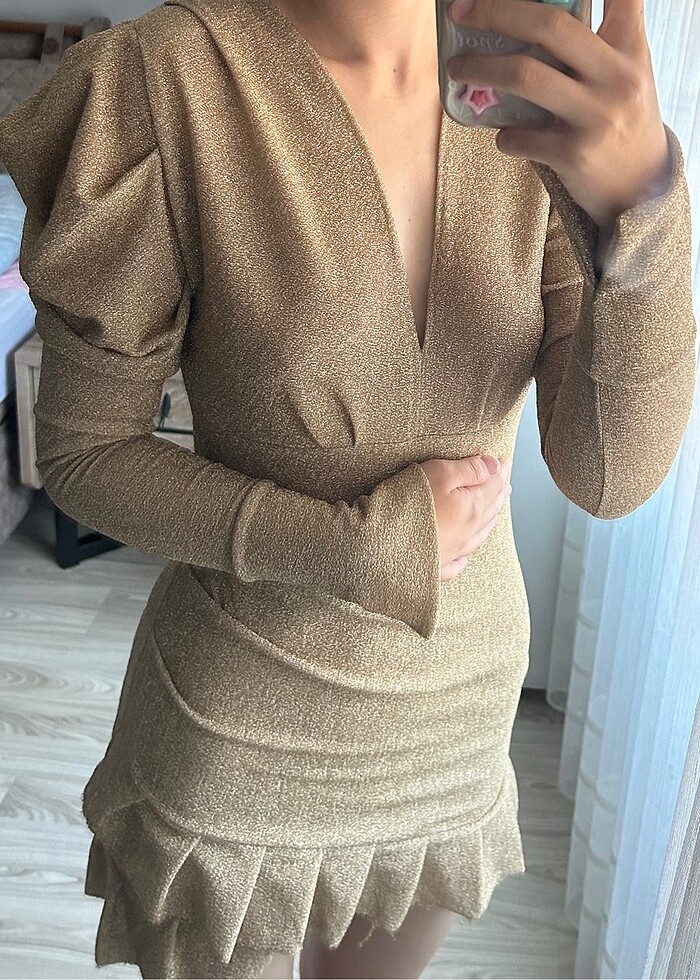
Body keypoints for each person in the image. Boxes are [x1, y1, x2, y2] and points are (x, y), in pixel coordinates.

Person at [0, 0, 696, 977]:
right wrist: (355, 547)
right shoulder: (162, 82)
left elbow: (610, 476)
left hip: (451, 722)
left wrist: (644, 217)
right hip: (241, 734)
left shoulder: (534, 93)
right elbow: (83, 451)